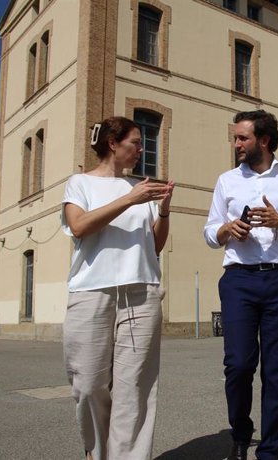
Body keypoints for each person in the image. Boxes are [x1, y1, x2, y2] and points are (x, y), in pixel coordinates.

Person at [204, 110, 278, 460]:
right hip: (239, 279)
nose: (236, 143)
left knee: (276, 370)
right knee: (238, 364)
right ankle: (241, 433)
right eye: (236, 137)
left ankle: (270, 450)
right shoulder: (227, 181)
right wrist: (229, 230)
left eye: (242, 137)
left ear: (264, 140)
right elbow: (210, 234)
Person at [61, 116, 174, 460]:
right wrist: (131, 200)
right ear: (113, 143)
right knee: (88, 384)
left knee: (134, 389)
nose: (142, 149)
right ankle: (97, 453)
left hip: (142, 292)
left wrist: (164, 211)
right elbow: (79, 227)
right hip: (92, 292)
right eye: (135, 142)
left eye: (142, 143)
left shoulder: (141, 188)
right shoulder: (80, 183)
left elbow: (154, 245)